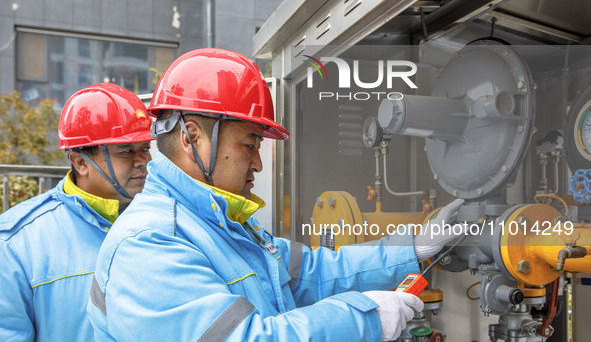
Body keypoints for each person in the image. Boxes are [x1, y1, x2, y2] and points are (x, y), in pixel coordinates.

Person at [87, 48, 464, 341]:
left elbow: (312, 275)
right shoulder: (150, 244)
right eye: (250, 144)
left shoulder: (222, 225)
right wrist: (365, 317)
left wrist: (414, 248)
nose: (258, 164)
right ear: (191, 137)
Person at [0, 83, 154, 342]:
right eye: (126, 150)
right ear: (81, 163)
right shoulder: (16, 244)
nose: (143, 160)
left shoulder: (167, 221)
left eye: (145, 148)